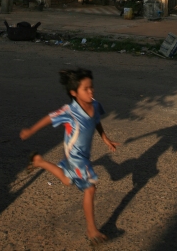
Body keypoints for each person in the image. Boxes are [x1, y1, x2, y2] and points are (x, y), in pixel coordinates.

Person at [20, 68, 118, 246]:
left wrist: (105, 138)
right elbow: (49, 118)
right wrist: (31, 130)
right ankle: (91, 229)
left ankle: (39, 161)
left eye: (92, 87)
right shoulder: (69, 111)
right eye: (86, 89)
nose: (91, 91)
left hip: (84, 155)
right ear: (74, 93)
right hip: (75, 156)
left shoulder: (95, 105)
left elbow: (96, 121)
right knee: (90, 189)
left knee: (67, 180)